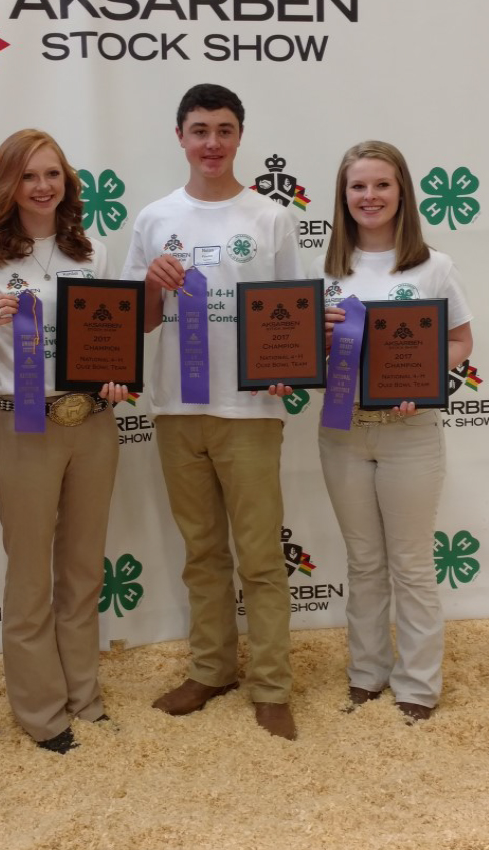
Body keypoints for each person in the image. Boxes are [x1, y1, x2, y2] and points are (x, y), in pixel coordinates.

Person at [121, 84, 302, 740]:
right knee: (201, 552)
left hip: (249, 410)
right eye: (199, 130)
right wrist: (148, 285)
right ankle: (210, 668)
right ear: (179, 137)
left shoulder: (270, 218)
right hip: (175, 407)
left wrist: (288, 371)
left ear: (239, 136)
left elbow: (291, 316)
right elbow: (134, 326)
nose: (212, 143)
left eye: (224, 130)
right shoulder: (150, 219)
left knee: (258, 556)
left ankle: (272, 685)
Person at [0, 129, 127, 754]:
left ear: (67, 182)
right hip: (23, 424)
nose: (44, 186)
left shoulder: (95, 254)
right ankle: (41, 710)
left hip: (94, 424)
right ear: (9, 184)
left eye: (53, 174)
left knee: (82, 570)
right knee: (30, 573)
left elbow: (115, 342)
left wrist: (117, 378)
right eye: (30, 175)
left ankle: (85, 695)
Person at [314, 140, 474, 722]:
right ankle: (366, 673)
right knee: (362, 561)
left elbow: (461, 341)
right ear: (343, 196)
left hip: (411, 433)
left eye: (381, 185)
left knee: (409, 562)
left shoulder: (434, 265)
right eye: (358, 186)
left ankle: (418, 684)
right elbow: (304, 352)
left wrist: (428, 374)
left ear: (402, 191)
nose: (370, 196)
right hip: (341, 431)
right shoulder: (325, 269)